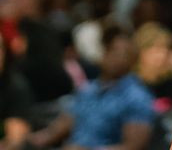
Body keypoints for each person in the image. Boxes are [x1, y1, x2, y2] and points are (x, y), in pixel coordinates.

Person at [27, 26, 156, 150]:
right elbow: (57, 129)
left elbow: (134, 147)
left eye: (122, 53)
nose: (113, 57)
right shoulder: (88, 89)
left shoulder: (137, 97)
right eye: (110, 50)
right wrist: (24, 142)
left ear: (132, 59)